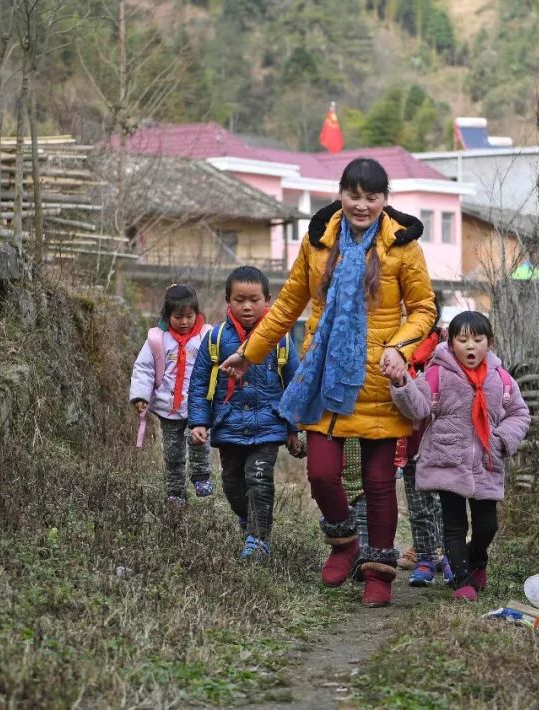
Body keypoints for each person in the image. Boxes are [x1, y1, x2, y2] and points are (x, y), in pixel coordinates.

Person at [220, 157, 436, 607]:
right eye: (353, 195)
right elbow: (286, 306)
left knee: (379, 482)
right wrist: (249, 353)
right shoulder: (318, 242)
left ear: (384, 200)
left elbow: (423, 310)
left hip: (377, 379)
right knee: (320, 474)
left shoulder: (403, 247)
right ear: (340, 193)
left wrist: (397, 348)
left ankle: (378, 571)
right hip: (323, 376)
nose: (362, 205)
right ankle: (345, 544)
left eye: (372, 197)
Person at [389, 311, 531, 601]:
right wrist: (403, 384)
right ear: (450, 343)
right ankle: (462, 581)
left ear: (489, 343)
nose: (470, 346)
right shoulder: (438, 373)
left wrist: (502, 439)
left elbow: (519, 413)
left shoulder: (501, 379)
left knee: (486, 526)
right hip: (448, 458)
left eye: (477, 340)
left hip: (486, 462)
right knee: (454, 525)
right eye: (462, 340)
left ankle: (476, 559)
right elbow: (418, 408)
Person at [188, 266, 302, 560]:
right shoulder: (215, 339)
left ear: (268, 300)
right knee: (232, 484)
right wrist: (199, 421)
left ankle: (258, 539)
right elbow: (199, 381)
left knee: (260, 479)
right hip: (228, 425)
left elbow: (294, 386)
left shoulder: (281, 340)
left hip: (268, 426)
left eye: (254, 299)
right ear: (228, 301)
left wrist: (293, 428)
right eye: (240, 299)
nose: (247, 306)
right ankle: (249, 519)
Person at [129, 283, 214, 503]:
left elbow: (219, 365)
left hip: (198, 404)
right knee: (173, 451)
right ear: (168, 316)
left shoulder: (207, 337)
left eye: (189, 316)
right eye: (178, 317)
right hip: (169, 407)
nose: (184, 322)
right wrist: (141, 396)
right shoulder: (158, 339)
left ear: (197, 313)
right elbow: (144, 368)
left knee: (199, 440)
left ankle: (201, 476)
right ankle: (175, 492)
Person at [395, 291, 453, 587]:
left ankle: (448, 554)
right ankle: (426, 557)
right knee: (418, 505)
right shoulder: (392, 349)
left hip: (442, 441)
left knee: (445, 503)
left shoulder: (448, 349)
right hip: (408, 441)